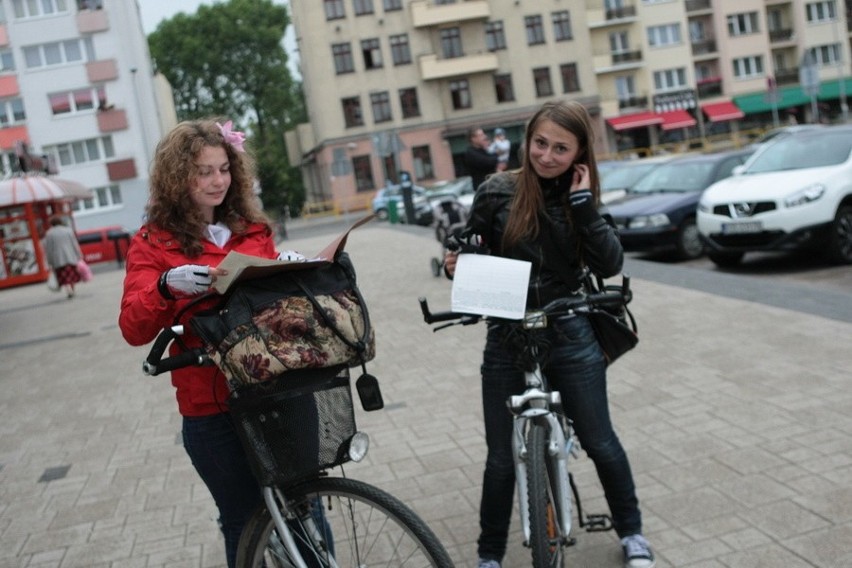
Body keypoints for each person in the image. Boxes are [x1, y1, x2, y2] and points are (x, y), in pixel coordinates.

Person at [444, 100, 655, 568]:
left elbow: (610, 263)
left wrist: (582, 206)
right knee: (500, 458)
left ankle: (633, 532)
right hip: (506, 333)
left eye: (561, 148)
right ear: (528, 141)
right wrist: (452, 261)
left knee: (600, 441)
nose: (546, 156)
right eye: (540, 143)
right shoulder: (497, 190)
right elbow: (471, 244)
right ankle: (488, 555)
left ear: (580, 152)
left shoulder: (580, 196)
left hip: (570, 326)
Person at [118, 119, 303, 568]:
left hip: (273, 387)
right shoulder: (152, 242)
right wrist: (164, 286)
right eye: (203, 171)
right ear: (177, 177)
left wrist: (293, 270)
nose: (217, 181)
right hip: (210, 405)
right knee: (243, 520)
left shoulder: (252, 229)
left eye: (223, 169)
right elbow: (132, 327)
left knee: (304, 510)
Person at [43, 215, 84, 298]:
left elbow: (49, 249)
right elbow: (74, 244)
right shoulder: (68, 231)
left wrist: (50, 261)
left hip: (58, 259)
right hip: (70, 257)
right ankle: (72, 289)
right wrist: (79, 255)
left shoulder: (49, 233)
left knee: (64, 277)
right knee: (71, 275)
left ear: (51, 223)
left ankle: (68, 290)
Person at [464, 126, 505, 191]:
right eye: (480, 135)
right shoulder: (471, 153)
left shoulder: (484, 150)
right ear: (473, 139)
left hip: (493, 186)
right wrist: (496, 154)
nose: (484, 137)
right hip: (484, 189)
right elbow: (488, 162)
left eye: (483, 134)